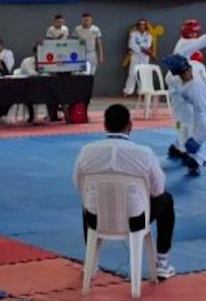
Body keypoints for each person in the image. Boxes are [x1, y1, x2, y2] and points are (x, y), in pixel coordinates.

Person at [72, 105, 176, 279]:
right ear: (130, 125)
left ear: (105, 125)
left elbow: (78, 184)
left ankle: (91, 264)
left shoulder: (87, 151)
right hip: (135, 220)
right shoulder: (144, 153)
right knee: (167, 200)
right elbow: (158, 190)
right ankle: (162, 263)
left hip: (97, 219)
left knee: (88, 205)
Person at [160, 54, 206, 176]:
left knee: (195, 128)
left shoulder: (194, 89)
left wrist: (196, 142)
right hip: (182, 101)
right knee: (181, 125)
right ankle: (179, 147)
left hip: (203, 99)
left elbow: (202, 121)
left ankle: (197, 159)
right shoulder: (196, 67)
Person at [123, 19, 153, 96]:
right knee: (132, 73)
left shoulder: (149, 35)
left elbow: (148, 45)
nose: (142, 27)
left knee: (144, 73)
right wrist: (141, 49)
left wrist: (142, 48)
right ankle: (128, 91)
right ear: (138, 26)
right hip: (135, 55)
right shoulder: (133, 34)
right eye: (140, 25)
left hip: (145, 57)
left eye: (143, 25)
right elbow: (131, 44)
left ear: (146, 26)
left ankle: (142, 91)